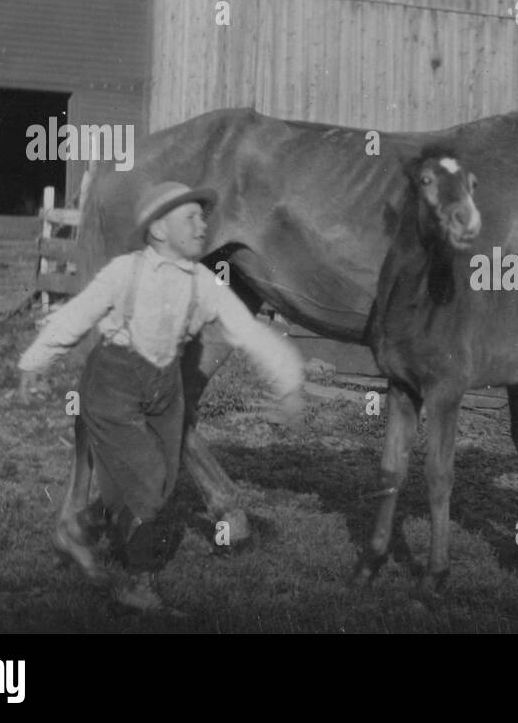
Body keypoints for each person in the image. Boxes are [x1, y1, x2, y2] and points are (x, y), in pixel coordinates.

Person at [18, 181, 306, 612]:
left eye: (202, 216)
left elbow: (247, 332)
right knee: (149, 484)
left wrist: (288, 381)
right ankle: (138, 582)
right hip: (114, 381)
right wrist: (34, 360)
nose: (201, 224)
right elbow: (77, 315)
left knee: (164, 483)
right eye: (189, 217)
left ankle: (77, 529)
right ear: (157, 231)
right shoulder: (125, 272)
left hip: (164, 387)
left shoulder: (204, 283)